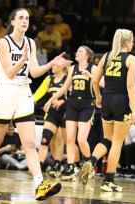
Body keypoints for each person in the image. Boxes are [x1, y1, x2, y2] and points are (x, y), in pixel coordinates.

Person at [0, 8, 72, 201]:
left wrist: (51, 64)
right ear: (12, 22)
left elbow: (34, 72)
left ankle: (39, 184)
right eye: (20, 18)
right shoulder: (3, 42)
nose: (24, 21)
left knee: (29, 143)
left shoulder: (30, 42)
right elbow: (9, 72)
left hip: (23, 92)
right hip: (5, 91)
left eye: (27, 18)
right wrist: (22, 59)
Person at [78, 29, 135, 192]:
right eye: (132, 41)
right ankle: (108, 181)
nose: (133, 44)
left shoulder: (106, 56)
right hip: (121, 100)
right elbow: (131, 86)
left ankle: (91, 160)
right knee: (117, 142)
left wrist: (98, 97)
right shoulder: (131, 58)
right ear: (127, 42)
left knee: (107, 138)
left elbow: (95, 81)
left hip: (107, 100)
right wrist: (134, 109)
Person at [45, 46, 97, 181]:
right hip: (73, 104)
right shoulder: (73, 69)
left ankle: (88, 163)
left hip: (87, 104)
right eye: (77, 50)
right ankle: (70, 167)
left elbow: (102, 83)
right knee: (69, 139)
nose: (77, 52)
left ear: (87, 56)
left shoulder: (93, 68)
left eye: (80, 51)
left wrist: (90, 76)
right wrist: (51, 99)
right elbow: (64, 87)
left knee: (81, 140)